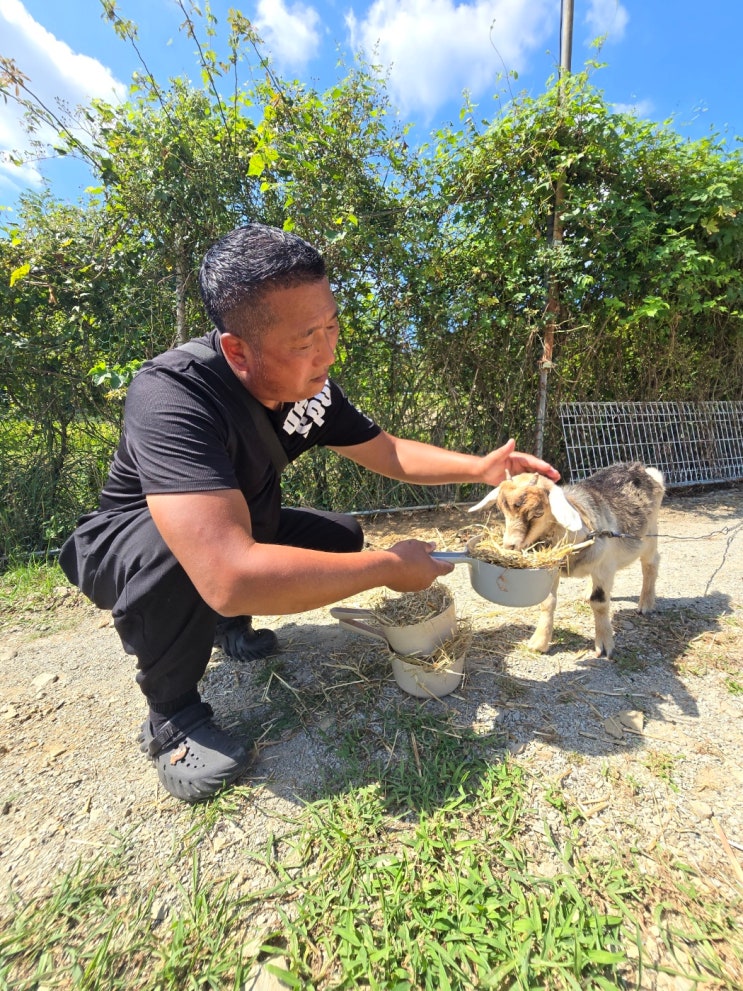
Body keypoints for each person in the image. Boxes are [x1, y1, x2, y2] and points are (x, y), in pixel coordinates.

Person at [59, 223, 560, 803]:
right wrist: (387, 568)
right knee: (192, 558)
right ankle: (171, 716)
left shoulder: (313, 388)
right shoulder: (174, 393)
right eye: (305, 341)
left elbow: (387, 451)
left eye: (332, 327)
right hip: (127, 544)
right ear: (237, 350)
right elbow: (228, 573)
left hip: (239, 522)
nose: (328, 353)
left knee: (342, 535)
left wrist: (482, 467)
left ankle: (225, 627)